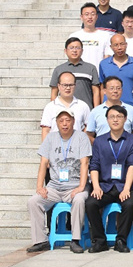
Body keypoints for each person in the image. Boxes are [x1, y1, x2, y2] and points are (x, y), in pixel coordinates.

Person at [26, 109, 91, 254]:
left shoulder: (81, 137)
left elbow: (85, 162)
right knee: (33, 201)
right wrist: (39, 186)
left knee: (79, 200)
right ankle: (40, 240)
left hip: (75, 186)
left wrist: (81, 186)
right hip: (54, 187)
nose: (65, 124)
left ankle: (75, 240)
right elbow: (43, 163)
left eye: (68, 120)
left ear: (73, 122)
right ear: (56, 123)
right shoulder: (51, 137)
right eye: (61, 121)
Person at [85, 105, 133, 253]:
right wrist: (96, 187)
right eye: (112, 117)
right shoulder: (99, 141)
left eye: (119, 116)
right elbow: (94, 165)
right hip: (105, 186)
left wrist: (127, 189)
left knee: (129, 204)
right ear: (107, 120)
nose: (115, 120)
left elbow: (132, 165)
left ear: (125, 119)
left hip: (125, 185)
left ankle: (121, 240)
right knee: (91, 203)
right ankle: (100, 241)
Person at [50, 37, 100, 108]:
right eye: (71, 48)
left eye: (77, 48)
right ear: (65, 51)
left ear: (82, 50)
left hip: (86, 109)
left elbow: (96, 91)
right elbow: (54, 92)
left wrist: (95, 110)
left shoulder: (91, 68)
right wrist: (54, 109)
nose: (74, 50)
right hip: (64, 110)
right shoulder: (59, 69)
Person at [98, 33, 133, 107]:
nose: (119, 47)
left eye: (122, 44)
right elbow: (101, 87)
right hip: (109, 106)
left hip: (129, 105)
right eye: (116, 45)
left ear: (126, 45)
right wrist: (102, 105)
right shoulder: (104, 64)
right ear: (111, 47)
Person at [41, 71, 91, 140]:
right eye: (64, 85)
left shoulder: (83, 106)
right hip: (55, 145)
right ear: (58, 86)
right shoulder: (50, 107)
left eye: (71, 85)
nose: (68, 88)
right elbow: (45, 131)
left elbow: (88, 128)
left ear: (75, 86)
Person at [87, 76, 133, 141]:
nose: (115, 91)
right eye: (111, 88)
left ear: (122, 90)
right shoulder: (95, 111)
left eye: (118, 88)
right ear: (104, 91)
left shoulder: (131, 110)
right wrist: (99, 145)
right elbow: (89, 135)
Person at [70, 2, 110, 71]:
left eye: (92, 14)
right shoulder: (74, 36)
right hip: (79, 73)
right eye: (86, 14)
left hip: (98, 74)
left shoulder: (105, 36)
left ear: (96, 16)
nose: (90, 17)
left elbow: (107, 57)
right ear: (81, 17)